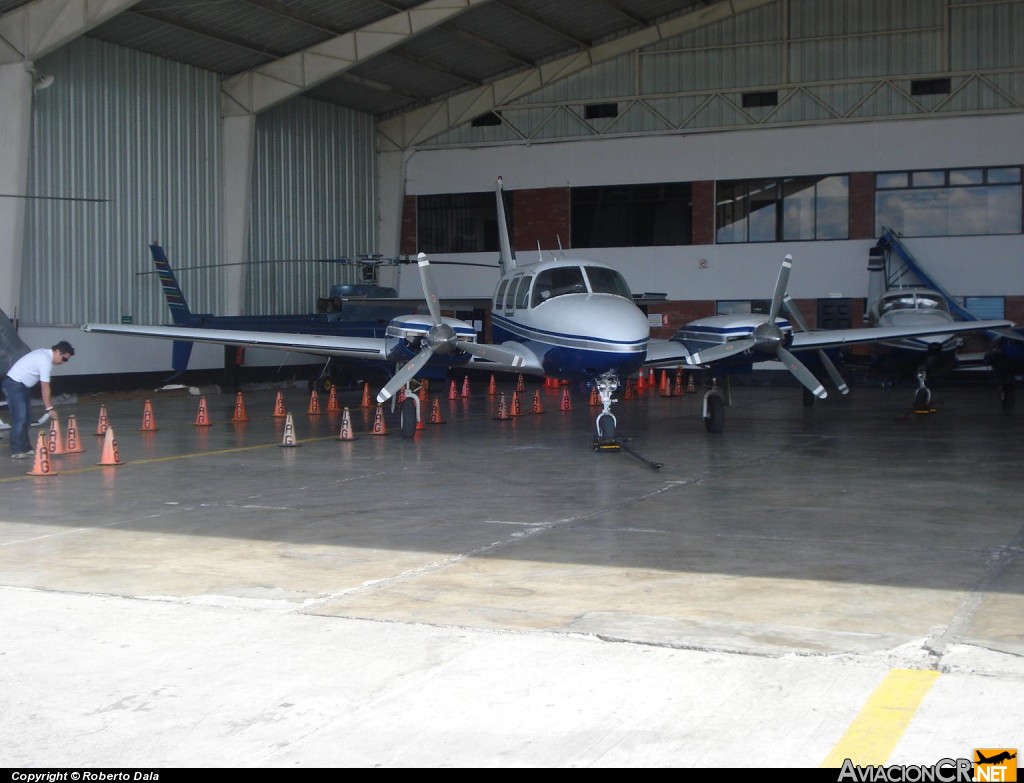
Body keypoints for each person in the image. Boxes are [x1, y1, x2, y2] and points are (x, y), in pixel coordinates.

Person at [2, 341, 75, 459]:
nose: (63, 362)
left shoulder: (44, 354)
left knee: (27, 418)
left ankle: (25, 447)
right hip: (14, 385)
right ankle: (17, 450)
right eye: (64, 359)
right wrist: (49, 408)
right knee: (20, 418)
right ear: (57, 351)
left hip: (21, 386)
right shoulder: (45, 360)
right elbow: (45, 387)